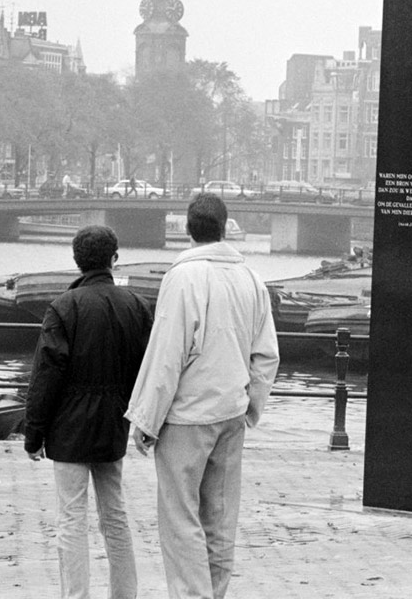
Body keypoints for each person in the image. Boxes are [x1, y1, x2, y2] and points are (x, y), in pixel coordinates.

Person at [125, 193, 279, 599]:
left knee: (181, 519)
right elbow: (266, 354)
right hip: (231, 412)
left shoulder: (183, 277)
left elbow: (167, 354)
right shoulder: (251, 279)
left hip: (187, 415)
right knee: (220, 519)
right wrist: (251, 406)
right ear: (225, 227)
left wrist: (146, 419)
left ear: (187, 229)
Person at [24, 225, 154, 599]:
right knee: (115, 516)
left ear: (77, 261)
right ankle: (124, 594)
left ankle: (76, 595)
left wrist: (34, 432)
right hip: (113, 423)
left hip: (68, 428)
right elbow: (147, 369)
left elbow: (47, 374)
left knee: (71, 518)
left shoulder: (64, 307)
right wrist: (142, 418)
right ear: (115, 258)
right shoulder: (136, 306)